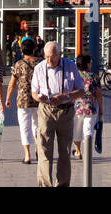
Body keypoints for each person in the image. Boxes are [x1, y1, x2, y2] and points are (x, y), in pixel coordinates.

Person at [31, 40, 84, 187]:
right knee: (44, 151)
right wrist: (39, 98)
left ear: (60, 54)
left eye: (52, 57)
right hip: (46, 111)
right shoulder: (39, 68)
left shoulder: (71, 66)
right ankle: (45, 184)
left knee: (65, 153)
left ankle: (62, 184)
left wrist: (65, 96)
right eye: (46, 56)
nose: (49, 60)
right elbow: (34, 91)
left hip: (66, 111)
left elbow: (81, 90)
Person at [5, 37, 41, 164]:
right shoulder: (40, 63)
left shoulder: (19, 64)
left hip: (23, 99)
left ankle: (27, 155)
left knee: (24, 127)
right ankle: (38, 149)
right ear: (34, 49)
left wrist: (8, 98)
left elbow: (12, 83)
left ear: (22, 50)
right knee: (38, 126)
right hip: (39, 99)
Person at [71, 53, 104, 159]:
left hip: (77, 108)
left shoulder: (74, 76)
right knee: (88, 130)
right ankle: (87, 153)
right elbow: (99, 95)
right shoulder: (94, 77)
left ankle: (78, 151)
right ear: (87, 64)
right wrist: (101, 110)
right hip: (91, 108)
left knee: (76, 131)